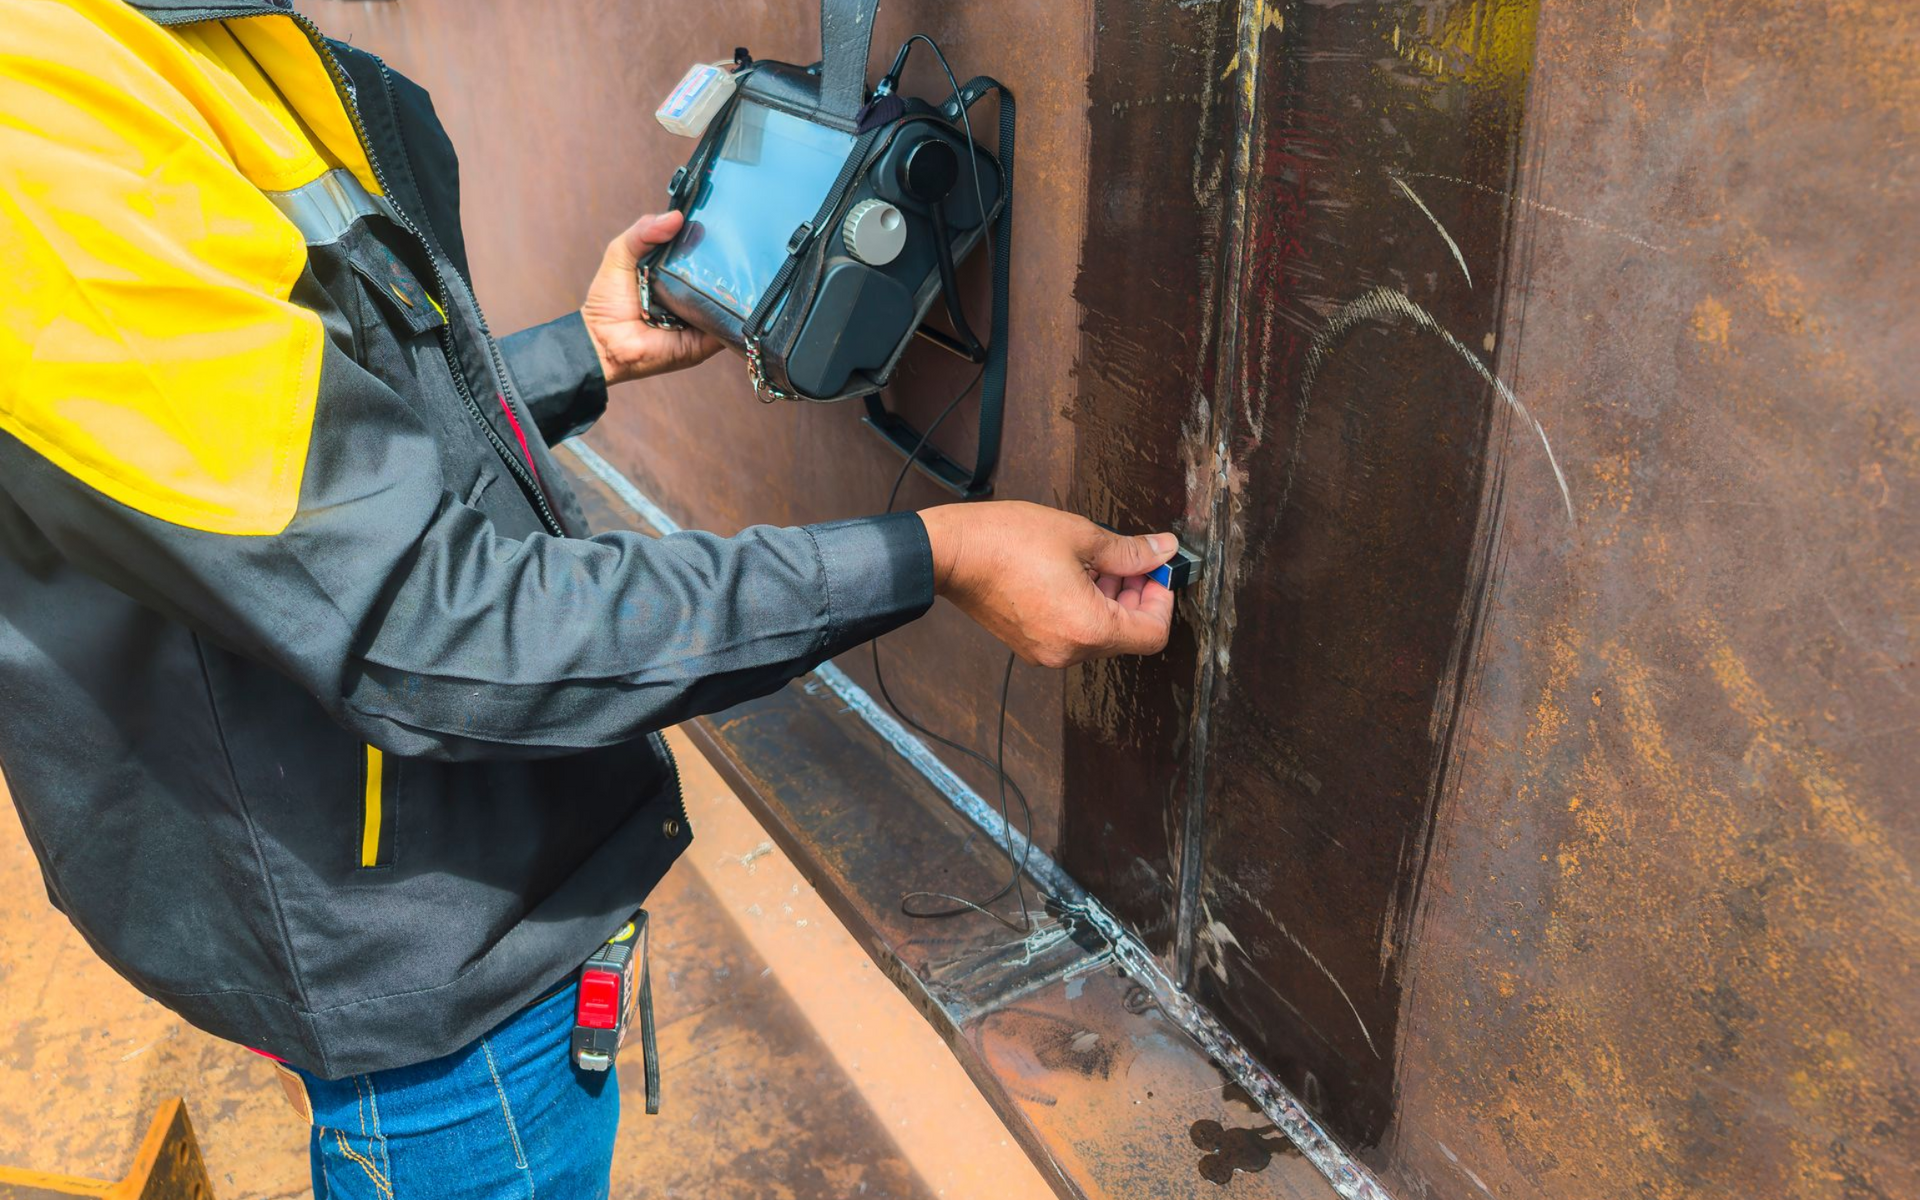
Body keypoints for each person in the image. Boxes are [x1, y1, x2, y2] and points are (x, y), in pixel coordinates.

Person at [0, 1, 1176, 1196]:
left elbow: (322, 452)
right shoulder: (41, 126)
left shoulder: (184, 40)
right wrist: (936, 557)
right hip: (431, 977)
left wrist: (584, 353)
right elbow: (434, 620)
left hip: (415, 872)